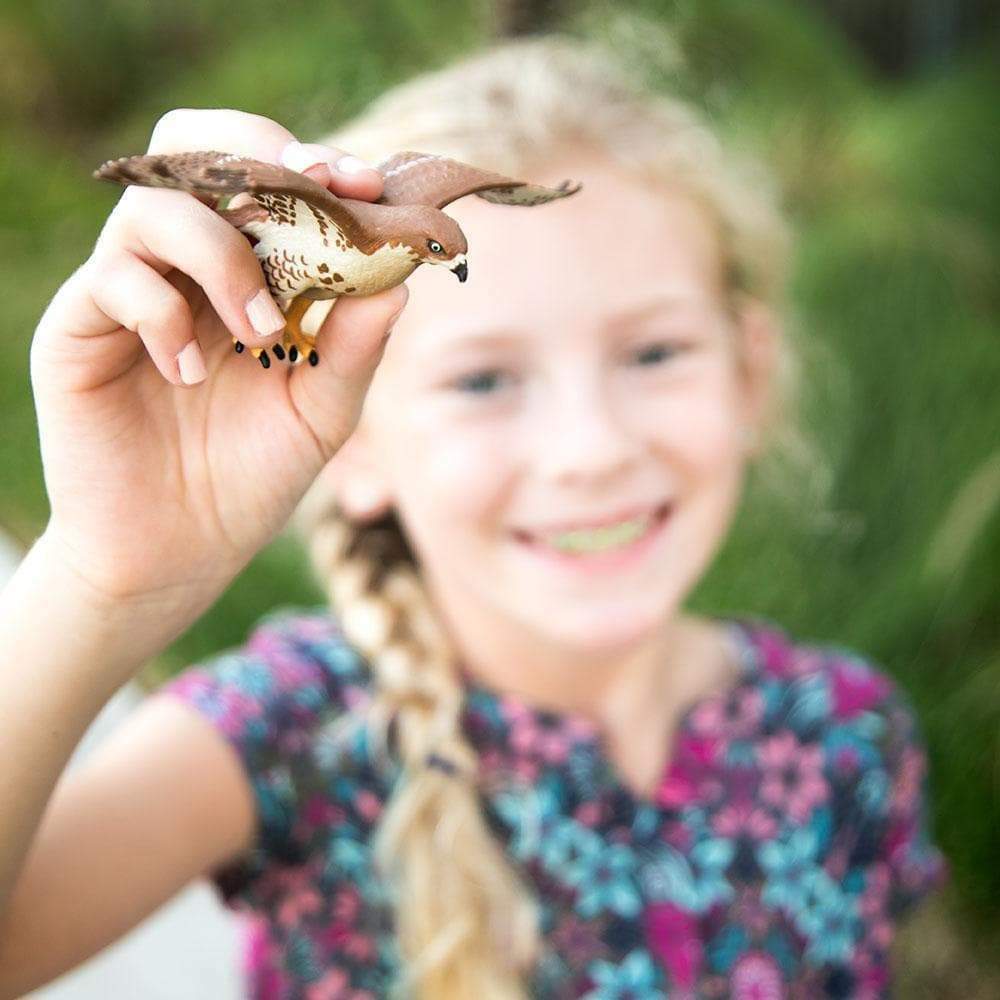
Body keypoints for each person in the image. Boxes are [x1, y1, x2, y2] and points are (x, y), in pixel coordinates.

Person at [0, 34, 945, 1000]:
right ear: (355, 442)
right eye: (484, 378)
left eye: (654, 354)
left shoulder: (847, 737)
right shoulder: (291, 732)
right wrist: (99, 579)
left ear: (749, 369)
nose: (592, 449)